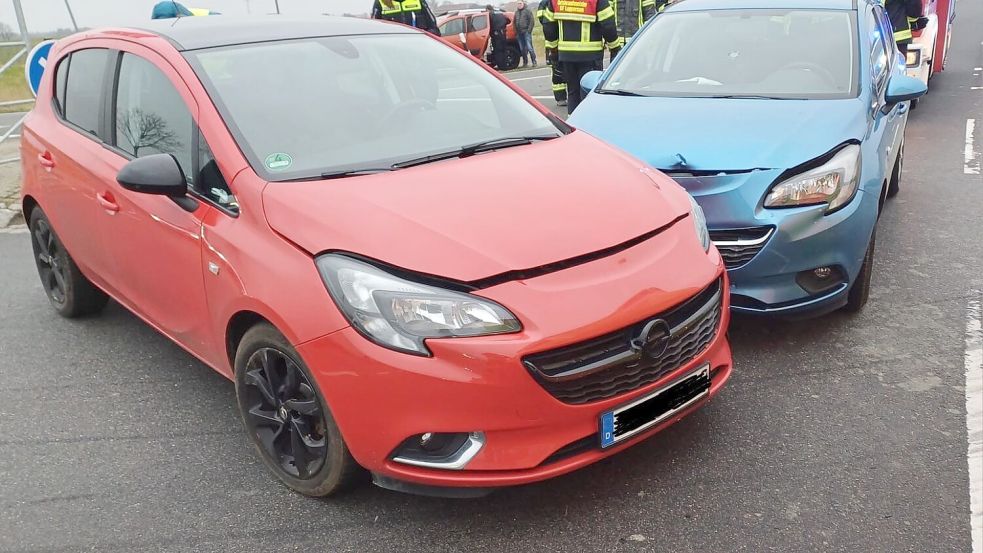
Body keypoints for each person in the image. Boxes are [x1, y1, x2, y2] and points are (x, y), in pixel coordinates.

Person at [542, 0, 619, 114]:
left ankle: (573, 126)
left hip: (566, 56)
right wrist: (615, 48)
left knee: (572, 93)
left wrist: (554, 52)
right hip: (590, 56)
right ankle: (588, 127)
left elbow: (548, 27)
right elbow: (608, 25)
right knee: (590, 94)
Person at [537, 0, 567, 106]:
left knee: (560, 68)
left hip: (556, 39)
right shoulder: (545, 2)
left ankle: (561, 97)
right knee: (557, 69)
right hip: (555, 40)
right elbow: (542, 18)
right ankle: (560, 97)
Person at [371, 0, 441, 35]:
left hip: (419, 48)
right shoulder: (381, 2)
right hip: (392, 51)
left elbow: (434, 29)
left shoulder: (418, 1)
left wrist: (424, 38)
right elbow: (373, 31)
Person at [513, 1, 537, 68]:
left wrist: (529, 30)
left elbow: (532, 21)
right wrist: (516, 32)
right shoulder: (516, 12)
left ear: (523, 4)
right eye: (518, 4)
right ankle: (525, 63)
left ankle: (534, 61)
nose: (519, 5)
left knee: (530, 48)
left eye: (520, 3)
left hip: (526, 32)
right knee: (522, 49)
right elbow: (514, 23)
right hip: (519, 33)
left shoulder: (527, 11)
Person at [487, 5, 509, 69]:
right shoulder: (500, 12)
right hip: (503, 33)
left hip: (496, 34)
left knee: (498, 51)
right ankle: (505, 65)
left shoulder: (490, 15)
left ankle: (500, 66)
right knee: (504, 50)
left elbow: (490, 25)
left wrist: (491, 33)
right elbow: (506, 21)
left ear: (488, 10)